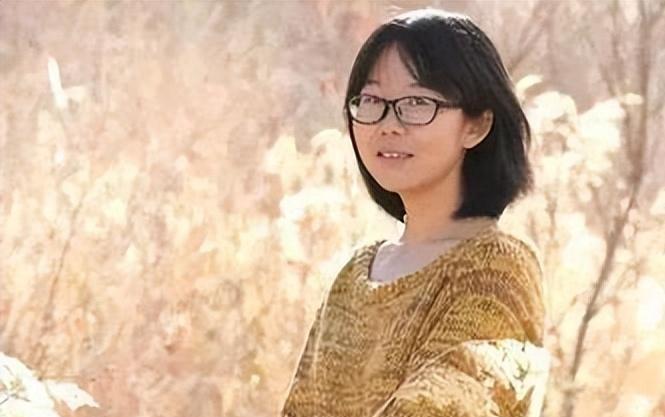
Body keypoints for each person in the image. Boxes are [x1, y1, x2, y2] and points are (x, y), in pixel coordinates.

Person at [280, 8, 549, 417]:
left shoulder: (497, 268)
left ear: (476, 125)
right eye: (372, 101)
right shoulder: (354, 276)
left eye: (417, 103)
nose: (388, 125)